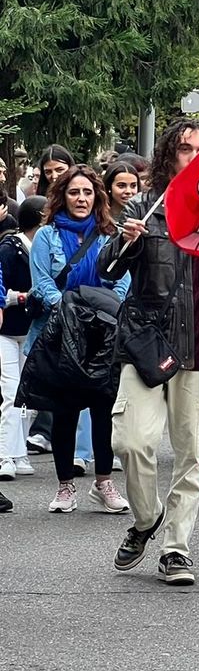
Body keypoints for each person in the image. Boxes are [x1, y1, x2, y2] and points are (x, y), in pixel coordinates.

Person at [104, 122, 199, 588]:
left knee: (192, 456)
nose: (194, 156)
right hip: (147, 348)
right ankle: (146, 519)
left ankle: (176, 548)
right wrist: (127, 240)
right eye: (185, 149)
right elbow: (106, 270)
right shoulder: (147, 207)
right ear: (169, 154)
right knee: (131, 442)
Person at [28, 165, 131, 514]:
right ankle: (65, 486)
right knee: (65, 413)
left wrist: (100, 314)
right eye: (74, 192)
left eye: (88, 192)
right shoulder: (46, 236)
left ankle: (104, 483)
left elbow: (122, 282)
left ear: (98, 196)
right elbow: (42, 284)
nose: (81, 199)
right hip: (60, 334)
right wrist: (73, 312)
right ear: (62, 196)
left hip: (102, 336)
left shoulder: (109, 234)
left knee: (103, 412)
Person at [0, 196, 46, 485]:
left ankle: (19, 452)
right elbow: (1, 288)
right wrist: (21, 297)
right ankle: (5, 454)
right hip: (6, 330)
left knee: (28, 394)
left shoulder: (44, 247)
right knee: (10, 391)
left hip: (30, 329)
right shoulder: (9, 248)